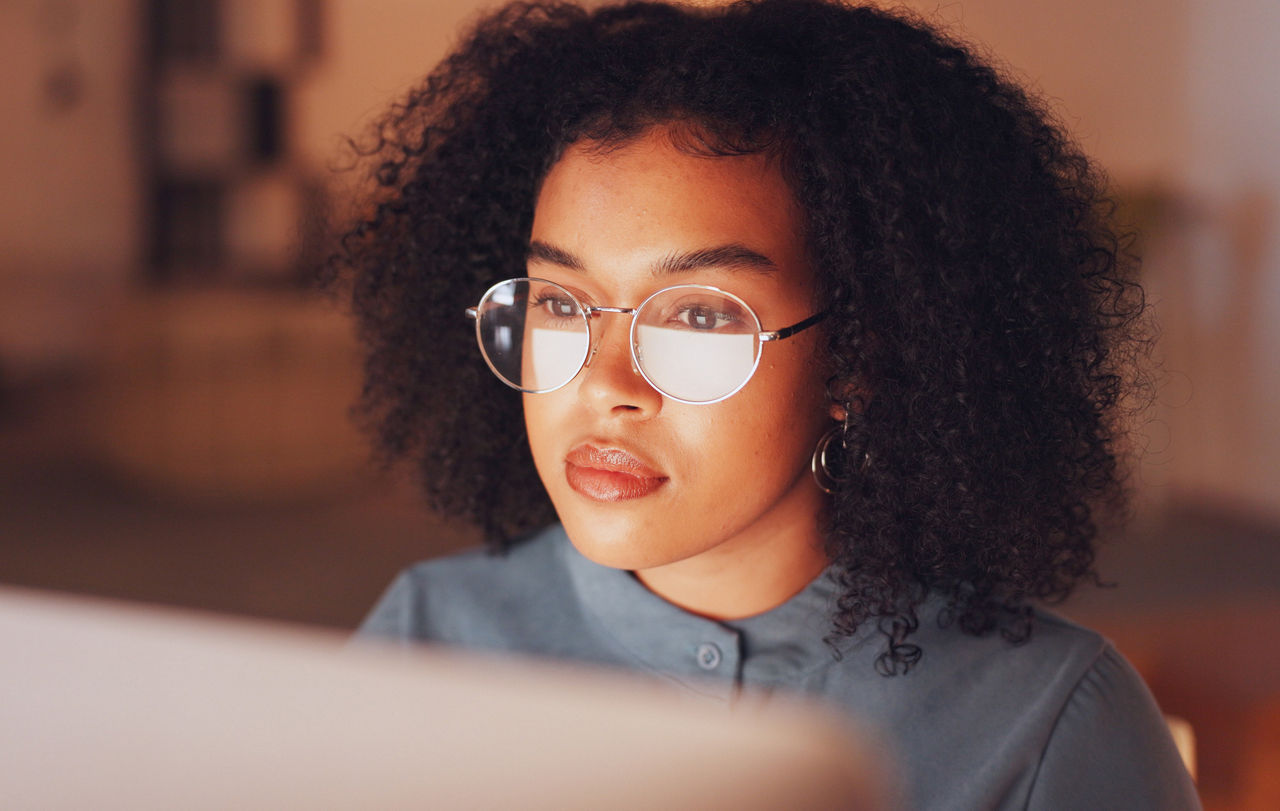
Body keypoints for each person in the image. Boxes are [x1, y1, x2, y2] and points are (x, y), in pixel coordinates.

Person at [326, 1, 1200, 807]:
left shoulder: (1047, 726)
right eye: (559, 301)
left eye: (700, 315)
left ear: (859, 356)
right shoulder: (426, 639)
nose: (605, 386)